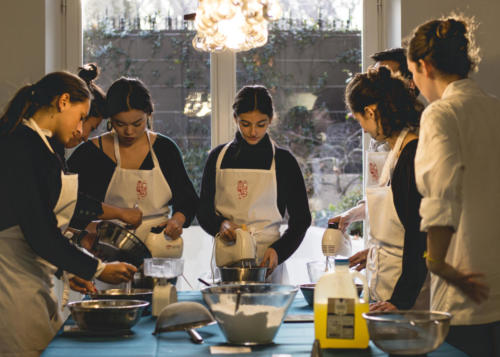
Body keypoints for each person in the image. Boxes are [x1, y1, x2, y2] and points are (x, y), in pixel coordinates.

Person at [0, 71, 137, 356]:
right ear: (64, 101)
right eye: (81, 116)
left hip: (33, 272)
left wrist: (65, 268)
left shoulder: (43, 147)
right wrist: (97, 268)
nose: (80, 129)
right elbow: (39, 230)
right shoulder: (21, 145)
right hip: (11, 277)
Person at [407, 15, 500, 356]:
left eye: (413, 74)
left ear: (424, 65)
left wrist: (437, 263)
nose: (415, 84)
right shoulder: (495, 109)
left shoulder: (440, 113)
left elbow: (441, 192)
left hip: (465, 287)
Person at [331, 66, 428, 311]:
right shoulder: (393, 153)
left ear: (371, 111)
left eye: (359, 119)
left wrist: (400, 301)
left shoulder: (411, 155)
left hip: (408, 294)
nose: (363, 128)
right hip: (386, 283)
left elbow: (419, 238)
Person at [197, 85, 311, 283]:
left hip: (267, 262)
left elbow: (301, 220)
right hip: (228, 261)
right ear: (235, 118)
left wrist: (278, 251)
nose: (252, 132)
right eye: (245, 124)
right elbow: (203, 211)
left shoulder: (284, 161)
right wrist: (220, 224)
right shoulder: (217, 157)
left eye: (261, 124)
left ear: (271, 119)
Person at [67, 77, 198, 242]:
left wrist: (177, 221)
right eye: (120, 124)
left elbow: (188, 200)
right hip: (106, 249)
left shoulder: (165, 149)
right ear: (110, 120)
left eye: (137, 124)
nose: (129, 132)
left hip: (159, 246)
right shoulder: (90, 153)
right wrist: (89, 228)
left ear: (149, 115)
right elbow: (68, 204)